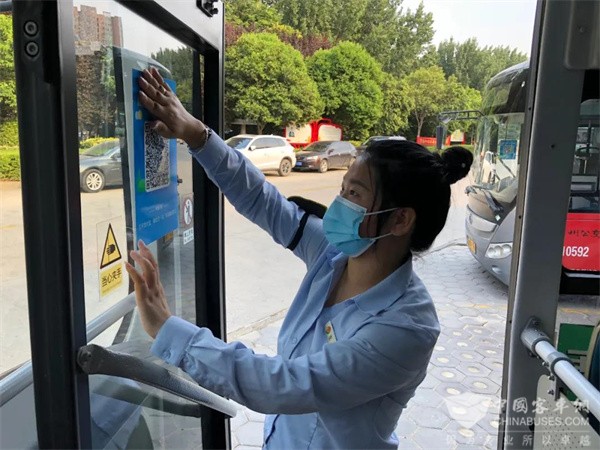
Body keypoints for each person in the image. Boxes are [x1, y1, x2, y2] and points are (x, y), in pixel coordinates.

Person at [125, 68, 473, 449]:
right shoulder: (333, 255)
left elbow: (284, 384)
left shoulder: (407, 328)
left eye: (354, 194)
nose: (338, 203)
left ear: (400, 219)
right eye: (342, 189)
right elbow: (263, 201)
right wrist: (196, 134)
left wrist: (169, 330)